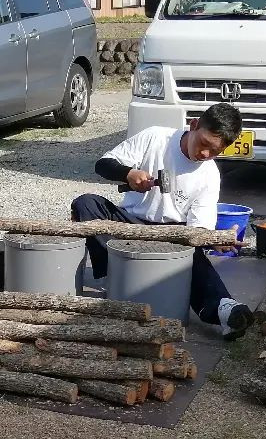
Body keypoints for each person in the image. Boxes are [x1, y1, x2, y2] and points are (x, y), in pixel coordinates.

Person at [71, 102, 253, 339]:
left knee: (192, 255)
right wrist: (128, 173)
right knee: (86, 204)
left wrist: (213, 241)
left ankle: (223, 308)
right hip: (129, 223)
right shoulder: (155, 137)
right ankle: (115, 278)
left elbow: (198, 230)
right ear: (194, 125)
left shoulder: (209, 175)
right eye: (204, 144)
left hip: (172, 235)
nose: (206, 154)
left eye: (215, 151)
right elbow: (103, 164)